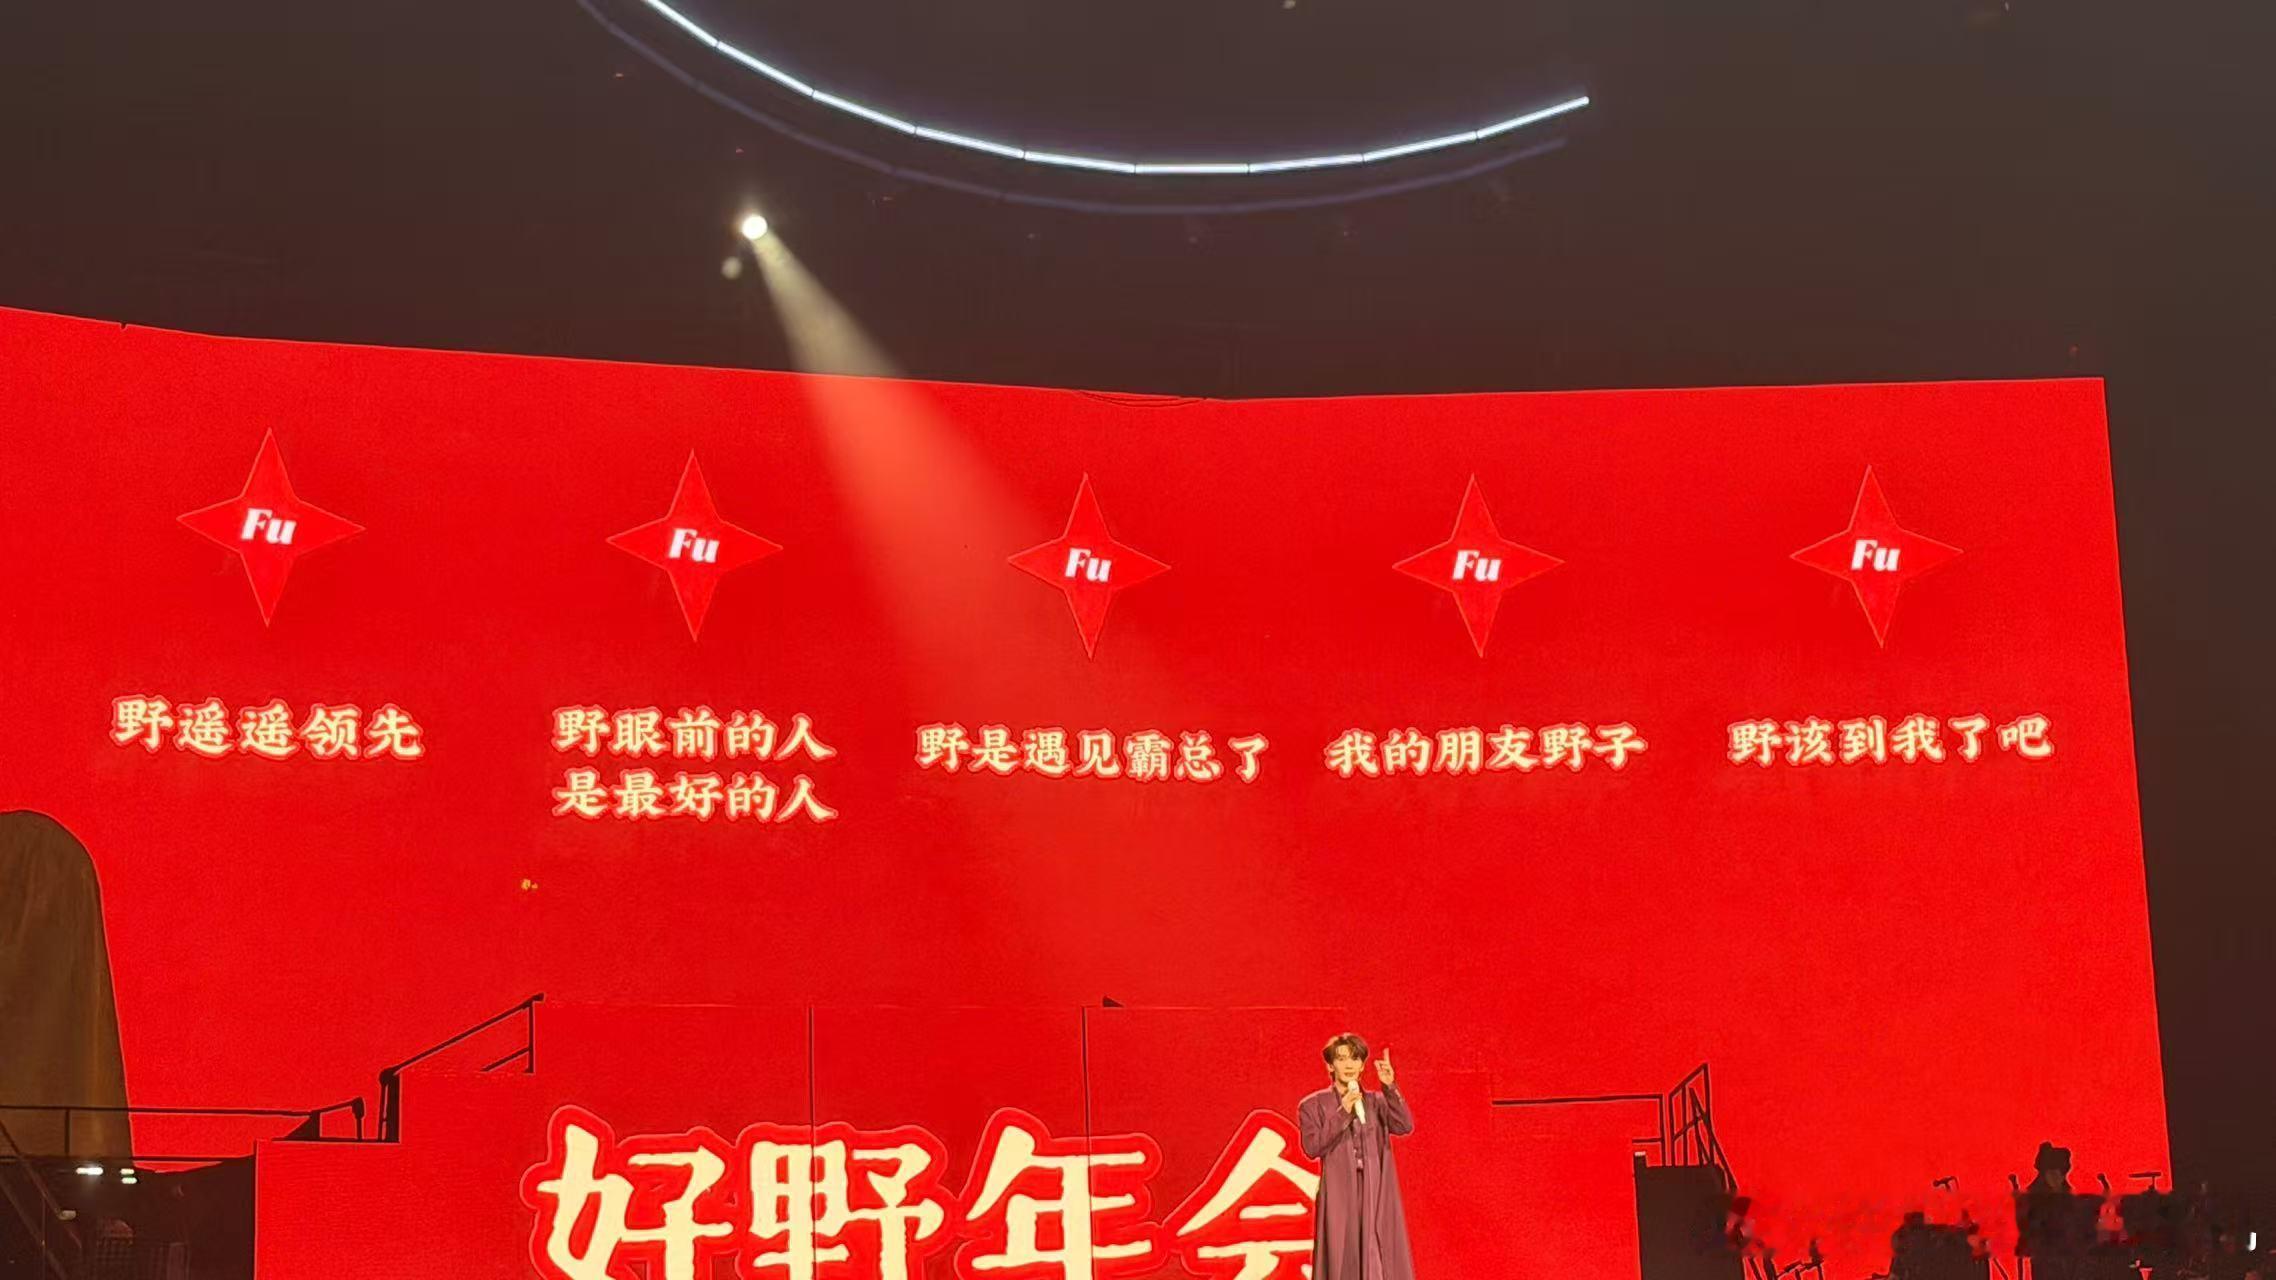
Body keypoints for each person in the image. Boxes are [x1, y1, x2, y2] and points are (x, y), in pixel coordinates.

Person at [1299, 1032, 1416, 1280]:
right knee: (1342, 1252)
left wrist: (1390, 1087)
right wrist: (1343, 1111)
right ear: (1330, 1066)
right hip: (1339, 1190)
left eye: (1355, 1059)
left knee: (1377, 1249)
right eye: (1341, 1059)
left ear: (1362, 1065)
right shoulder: (1312, 1105)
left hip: (1375, 1187)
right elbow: (1312, 1147)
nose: (1349, 1065)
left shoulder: (1376, 1102)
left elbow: (1404, 1125)